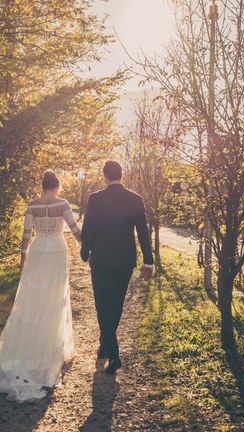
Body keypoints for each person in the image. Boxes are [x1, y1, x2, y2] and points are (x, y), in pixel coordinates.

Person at [0, 170, 81, 402]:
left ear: (42, 186)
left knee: (32, 299)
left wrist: (23, 258)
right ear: (57, 186)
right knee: (53, 299)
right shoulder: (63, 203)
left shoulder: (32, 205)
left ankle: (25, 348)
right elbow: (74, 230)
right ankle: (46, 352)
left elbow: (26, 235)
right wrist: (88, 248)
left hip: (37, 251)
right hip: (56, 250)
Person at [81, 160, 154, 374]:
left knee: (103, 305)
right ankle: (105, 342)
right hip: (125, 260)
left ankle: (113, 354)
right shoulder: (135, 199)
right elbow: (143, 233)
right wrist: (148, 261)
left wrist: (85, 252)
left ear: (104, 176)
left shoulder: (95, 199)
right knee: (117, 304)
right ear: (121, 175)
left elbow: (88, 228)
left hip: (101, 259)